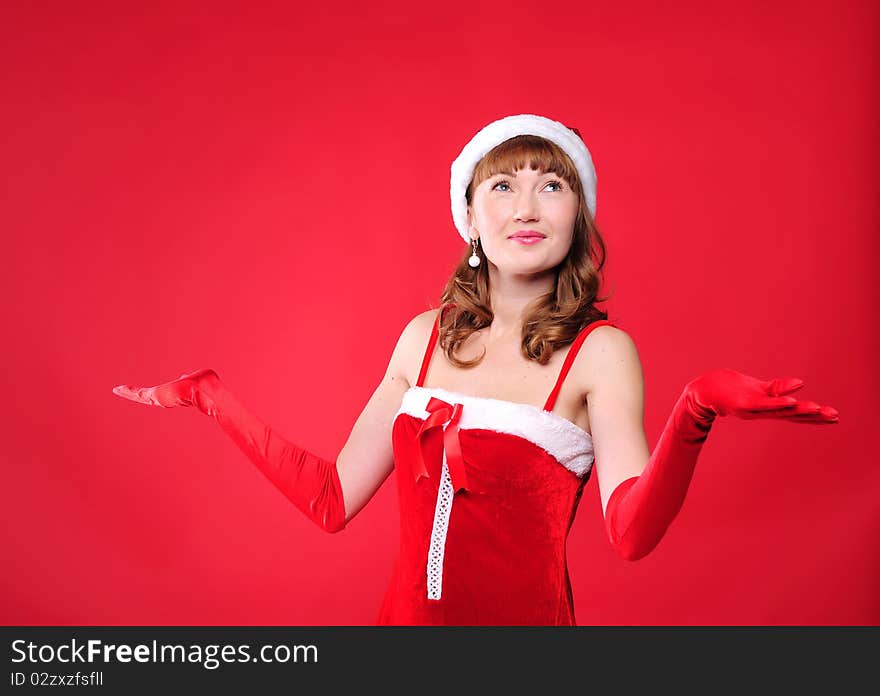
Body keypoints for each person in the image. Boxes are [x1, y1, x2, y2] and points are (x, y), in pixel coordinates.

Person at [112, 113, 840, 626]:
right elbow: (332, 500)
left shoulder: (600, 352)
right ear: (469, 215)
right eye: (502, 186)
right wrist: (212, 399)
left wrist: (696, 410)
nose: (527, 206)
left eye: (552, 186)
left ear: (579, 215)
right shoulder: (421, 340)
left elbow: (630, 535)